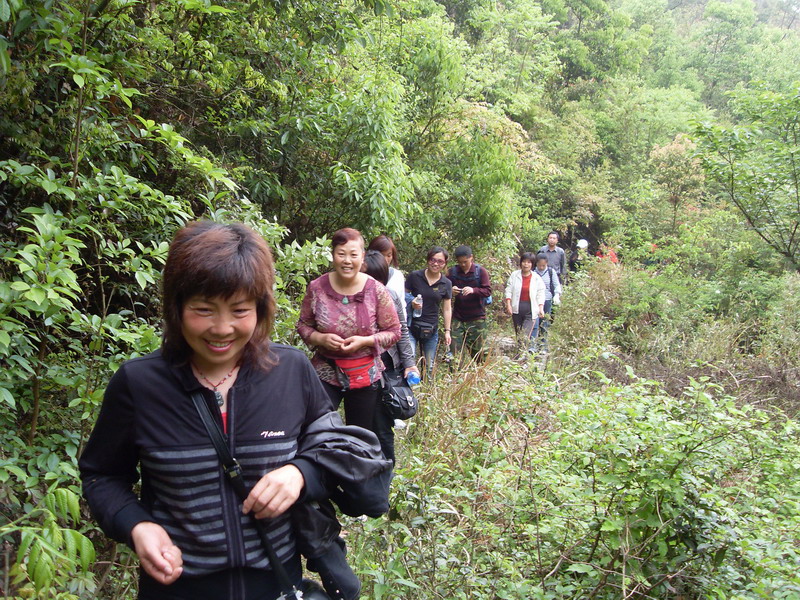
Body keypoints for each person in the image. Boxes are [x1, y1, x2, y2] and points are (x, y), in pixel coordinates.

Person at [79, 221, 390, 600]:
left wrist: (300, 473)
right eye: (203, 309)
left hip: (276, 584)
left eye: (240, 309)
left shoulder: (290, 371)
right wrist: (137, 525)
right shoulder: (139, 384)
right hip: (178, 590)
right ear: (176, 307)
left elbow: (346, 451)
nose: (222, 328)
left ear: (261, 308)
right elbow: (102, 476)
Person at [297, 228, 401, 431]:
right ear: (332, 255)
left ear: (362, 257)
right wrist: (320, 338)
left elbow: (394, 331)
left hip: (364, 374)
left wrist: (366, 341)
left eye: (353, 255)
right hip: (325, 372)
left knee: (359, 434)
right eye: (341, 254)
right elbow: (303, 325)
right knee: (317, 430)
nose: (347, 260)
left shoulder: (375, 289)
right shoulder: (317, 287)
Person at [362, 250, 418, 463]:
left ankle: (386, 469)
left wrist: (409, 364)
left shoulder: (391, 296)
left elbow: (401, 330)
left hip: (387, 367)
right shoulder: (348, 299)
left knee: (383, 423)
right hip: (359, 366)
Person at [405, 246, 453, 376]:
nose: (435, 264)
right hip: (411, 326)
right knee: (410, 363)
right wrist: (411, 303)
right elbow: (402, 297)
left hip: (431, 328)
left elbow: (447, 309)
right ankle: (410, 393)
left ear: (445, 264)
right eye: (433, 260)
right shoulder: (415, 276)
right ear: (428, 260)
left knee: (429, 366)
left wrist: (447, 331)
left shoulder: (446, 283)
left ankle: (427, 392)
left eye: (440, 261)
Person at [446, 245, 492, 362]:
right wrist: (451, 290)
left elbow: (487, 291)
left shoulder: (480, 272)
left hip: (477, 319)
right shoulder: (452, 272)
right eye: (460, 262)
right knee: (454, 353)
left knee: (479, 354)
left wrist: (474, 290)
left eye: (465, 262)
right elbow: (443, 289)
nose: (462, 264)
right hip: (458, 318)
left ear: (471, 258)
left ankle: (480, 376)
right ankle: (455, 377)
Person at [504, 252, 545, 354]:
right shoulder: (514, 275)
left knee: (525, 334)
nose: (526, 264)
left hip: (530, 309)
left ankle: (524, 355)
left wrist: (541, 308)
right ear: (521, 263)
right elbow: (508, 290)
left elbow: (540, 293)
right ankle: (519, 355)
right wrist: (508, 304)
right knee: (519, 333)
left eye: (528, 262)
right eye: (524, 262)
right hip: (517, 308)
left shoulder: (536, 278)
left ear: (532, 264)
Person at [367, 235, 407, 323]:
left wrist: (403, 327)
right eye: (381, 254)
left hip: (391, 326)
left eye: (389, 255)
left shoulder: (397, 276)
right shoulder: (363, 273)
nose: (385, 259)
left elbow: (401, 304)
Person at [533, 252, 562, 353]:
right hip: (534, 301)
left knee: (544, 323)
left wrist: (557, 294)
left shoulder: (550, 272)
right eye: (539, 265)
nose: (541, 267)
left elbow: (556, 284)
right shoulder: (533, 272)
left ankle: (543, 345)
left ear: (546, 264)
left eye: (543, 265)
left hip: (547, 300)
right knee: (534, 323)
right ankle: (533, 345)